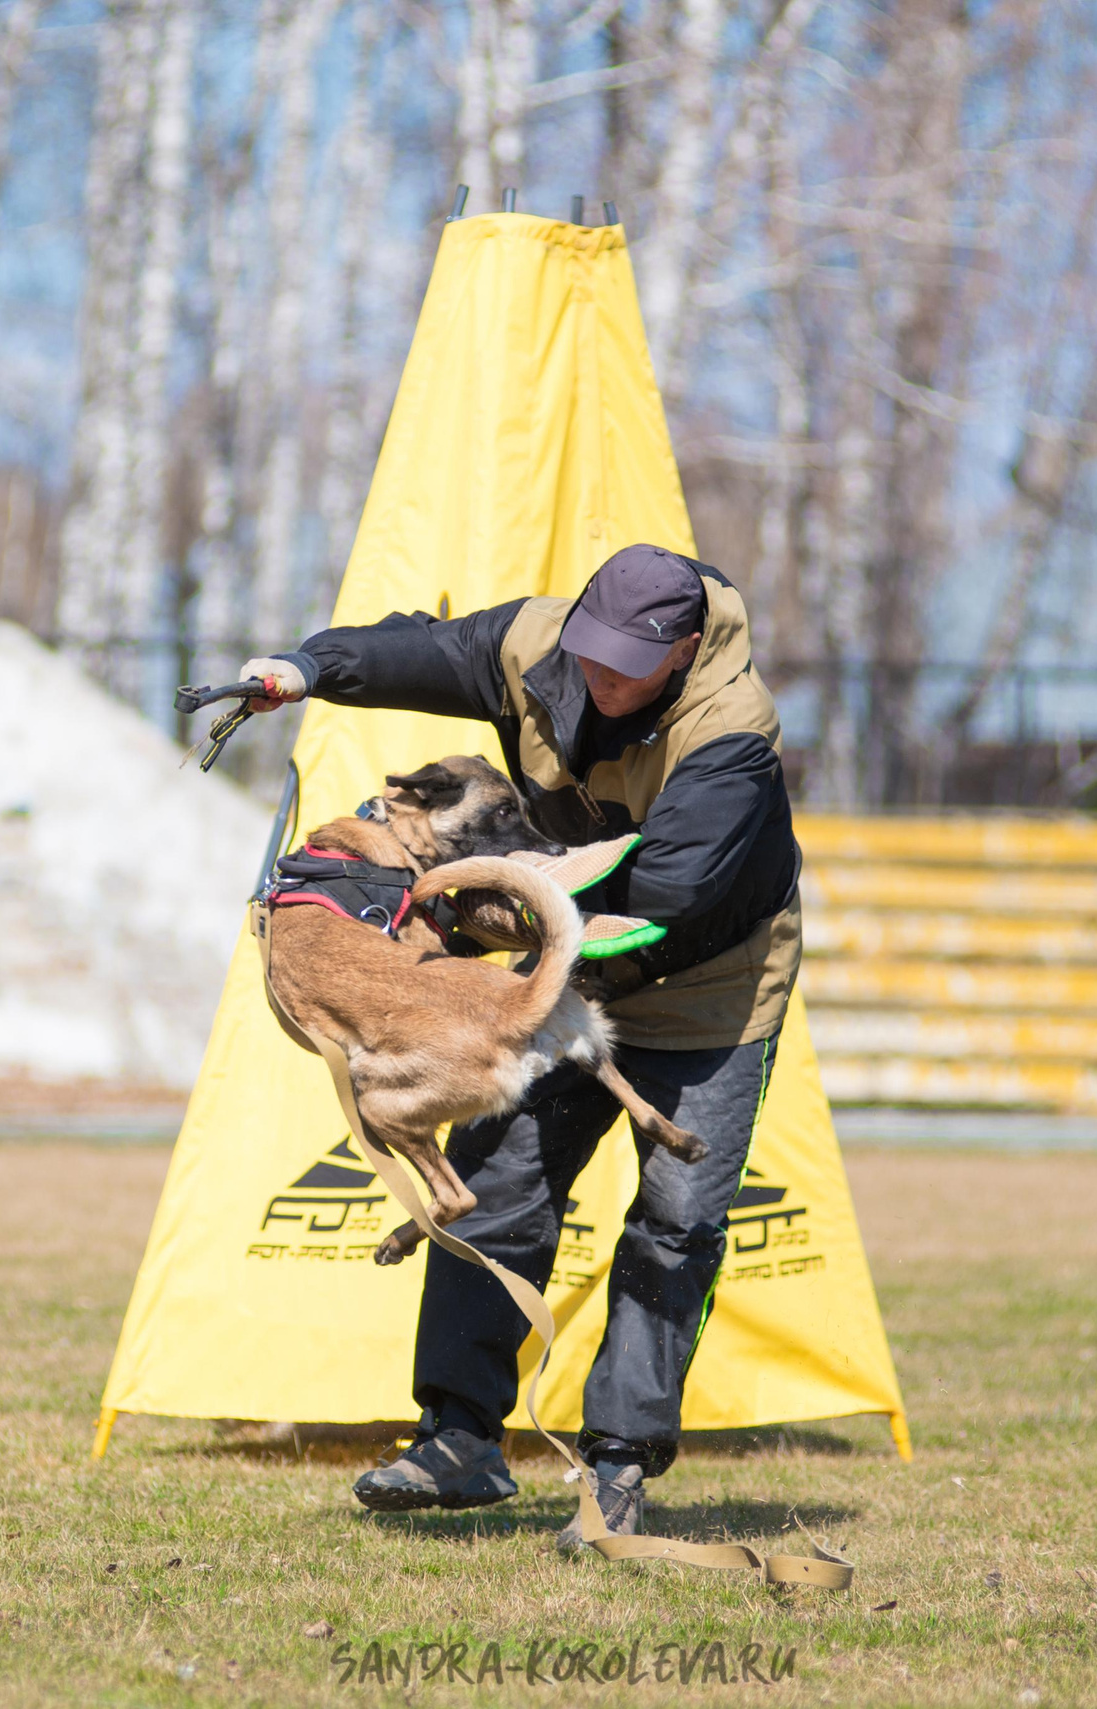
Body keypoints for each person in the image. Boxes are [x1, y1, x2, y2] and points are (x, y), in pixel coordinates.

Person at [237, 543, 801, 1549]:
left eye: (626, 667)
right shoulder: (543, 644)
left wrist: (493, 933)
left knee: (676, 1223)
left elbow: (665, 903)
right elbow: (418, 650)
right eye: (592, 654)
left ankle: (619, 1468)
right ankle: (458, 1439)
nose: (598, 679)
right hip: (556, 953)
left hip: (707, 984)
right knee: (495, 1178)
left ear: (679, 653)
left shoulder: (730, 735)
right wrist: (306, 669)